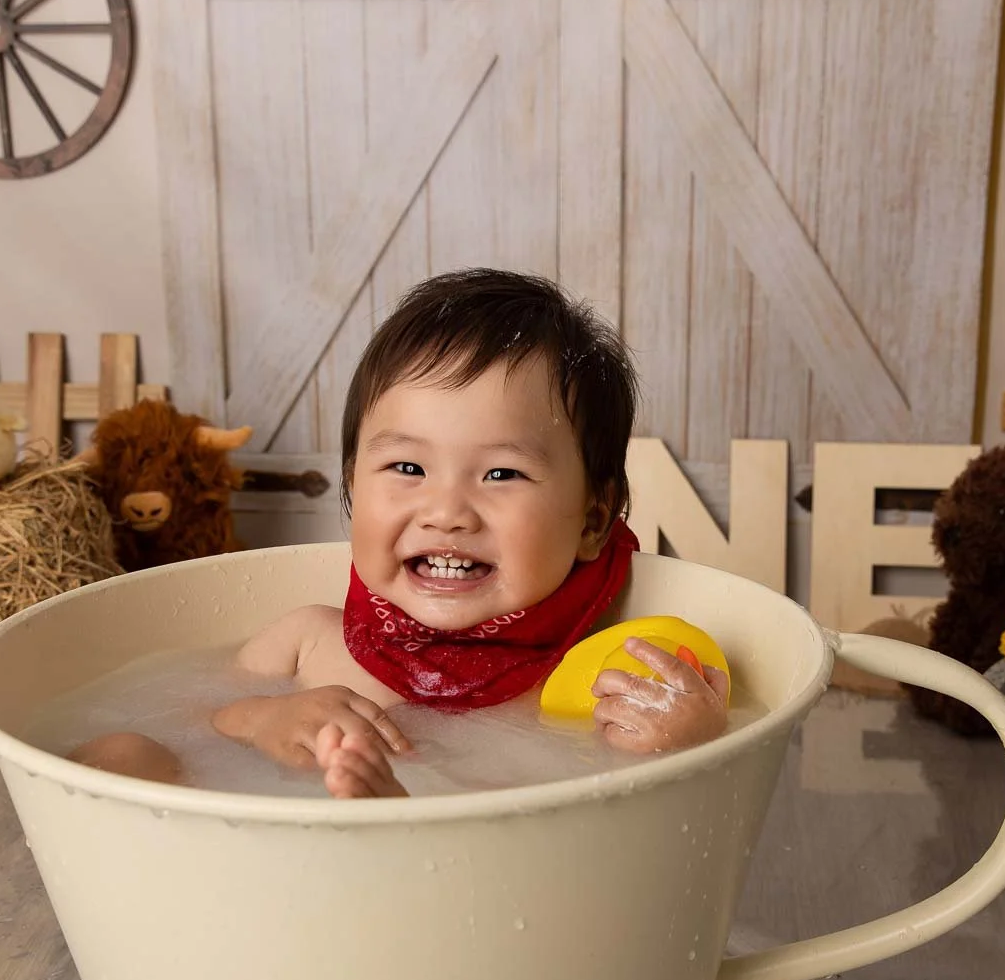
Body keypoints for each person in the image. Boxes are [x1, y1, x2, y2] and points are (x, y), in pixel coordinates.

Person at [69, 269, 729, 797]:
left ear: (592, 518)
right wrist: (262, 717)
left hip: (479, 899)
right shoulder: (309, 641)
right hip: (269, 883)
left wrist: (690, 739)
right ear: (355, 488)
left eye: (501, 473)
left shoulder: (590, 675)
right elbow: (186, 720)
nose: (446, 512)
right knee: (115, 755)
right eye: (407, 467)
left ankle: (393, 830)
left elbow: (630, 818)